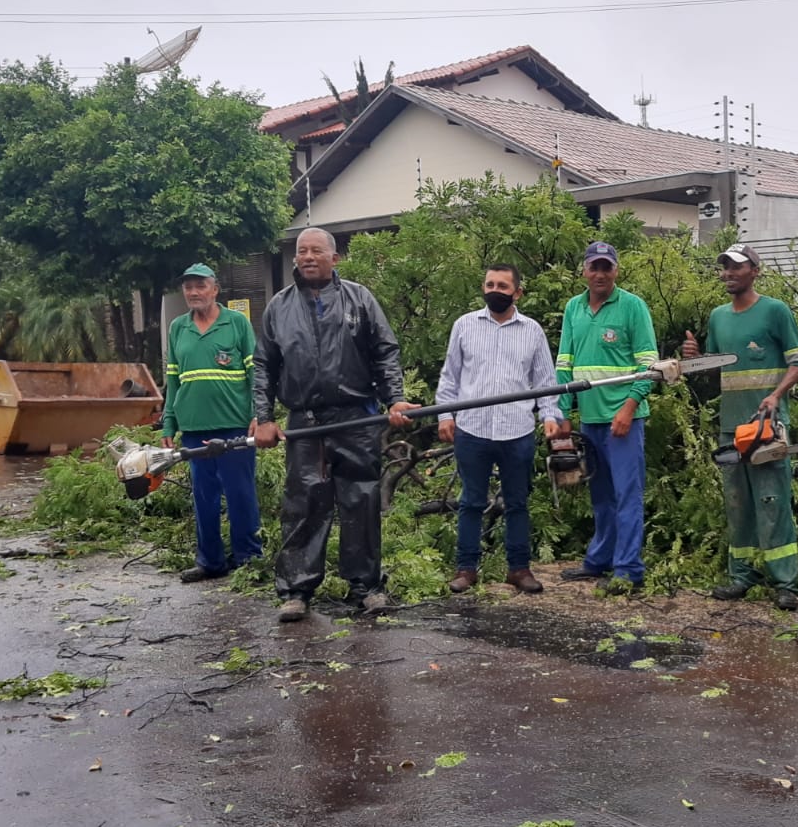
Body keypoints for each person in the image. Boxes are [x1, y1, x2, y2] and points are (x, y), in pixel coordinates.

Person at [251, 227, 415, 622]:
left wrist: (394, 399)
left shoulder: (360, 299)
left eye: (316, 251)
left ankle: (366, 586)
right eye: (301, 251)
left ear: (334, 258)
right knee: (304, 504)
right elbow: (264, 365)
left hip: (356, 417)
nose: (307, 257)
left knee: (361, 501)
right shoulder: (279, 306)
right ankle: (296, 590)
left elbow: (385, 352)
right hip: (305, 422)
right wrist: (265, 418)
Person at [681, 244, 798, 611]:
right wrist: (695, 359)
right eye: (724, 267)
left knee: (772, 502)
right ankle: (742, 576)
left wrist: (776, 395)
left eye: (736, 267)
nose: (728, 273)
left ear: (755, 270)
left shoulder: (775, 311)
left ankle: (785, 583)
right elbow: (716, 368)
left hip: (767, 427)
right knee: (737, 504)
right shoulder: (718, 317)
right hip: (731, 428)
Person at [436, 264, 567, 595]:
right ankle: (466, 569)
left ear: (517, 292)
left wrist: (550, 416)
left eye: (503, 286)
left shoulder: (532, 331)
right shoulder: (464, 325)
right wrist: (445, 415)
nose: (495, 290)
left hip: (517, 430)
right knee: (471, 502)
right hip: (472, 429)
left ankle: (519, 569)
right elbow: (450, 376)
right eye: (490, 284)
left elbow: (545, 381)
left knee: (517, 502)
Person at [555, 240, 659, 593]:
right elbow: (564, 364)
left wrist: (628, 408)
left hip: (624, 421)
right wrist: (563, 412)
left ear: (616, 270)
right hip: (590, 419)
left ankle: (629, 570)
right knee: (600, 495)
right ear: (584, 270)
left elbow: (649, 366)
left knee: (627, 494)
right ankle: (599, 560)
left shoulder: (632, 306)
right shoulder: (574, 307)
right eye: (594, 267)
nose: (600, 274)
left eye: (606, 267)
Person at [161, 262, 263, 583]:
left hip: (234, 425)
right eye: (188, 287)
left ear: (215, 289)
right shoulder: (178, 328)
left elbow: (256, 372)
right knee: (204, 497)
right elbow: (173, 378)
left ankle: (249, 559)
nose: (193, 292)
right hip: (193, 427)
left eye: (200, 285)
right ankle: (210, 561)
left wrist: (260, 413)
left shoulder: (237, 323)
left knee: (240, 493)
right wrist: (168, 423)